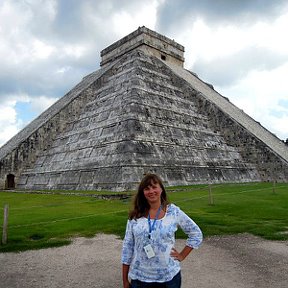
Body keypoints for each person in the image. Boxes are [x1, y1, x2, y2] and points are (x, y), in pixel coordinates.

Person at [122, 173, 203, 288]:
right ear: (142, 192)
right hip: (141, 278)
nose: (151, 191)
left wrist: (182, 255)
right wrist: (125, 280)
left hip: (169, 277)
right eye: (147, 188)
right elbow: (127, 248)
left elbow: (196, 233)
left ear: (161, 189)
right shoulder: (136, 216)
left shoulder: (173, 212)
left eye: (154, 187)